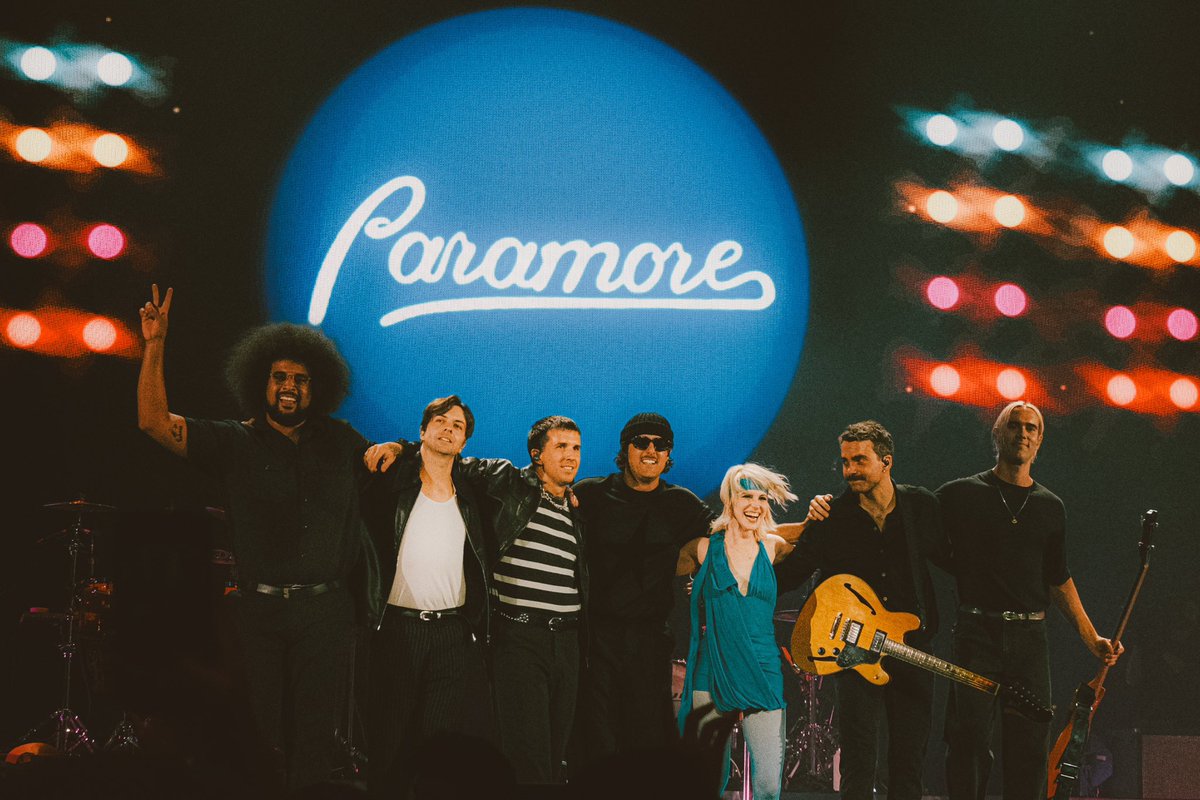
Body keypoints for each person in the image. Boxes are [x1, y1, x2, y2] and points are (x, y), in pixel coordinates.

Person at [136, 285, 374, 790]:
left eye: (301, 380)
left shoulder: (341, 440)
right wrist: (155, 345)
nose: (290, 386)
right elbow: (153, 423)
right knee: (257, 734)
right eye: (279, 376)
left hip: (324, 611)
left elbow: (385, 465)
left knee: (315, 739)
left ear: (317, 388)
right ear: (260, 381)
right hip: (256, 610)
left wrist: (393, 449)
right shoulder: (232, 440)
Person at [367, 414, 587, 784]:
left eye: (576, 448)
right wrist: (401, 447)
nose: (571, 455)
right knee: (528, 756)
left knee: (554, 753)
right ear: (536, 454)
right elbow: (444, 454)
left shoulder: (576, 511)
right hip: (520, 637)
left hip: (566, 642)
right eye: (561, 446)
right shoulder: (505, 480)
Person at [938, 401, 1122, 800]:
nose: (1022, 433)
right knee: (968, 742)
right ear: (997, 434)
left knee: (1029, 750)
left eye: (1031, 428)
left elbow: (1059, 579)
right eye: (1015, 425)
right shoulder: (961, 493)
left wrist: (1092, 638)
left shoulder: (1050, 506)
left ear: (1039, 441)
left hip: (1028, 641)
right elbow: (913, 525)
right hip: (976, 635)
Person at [782, 420, 950, 800]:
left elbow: (953, 559)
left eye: (860, 460)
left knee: (908, 762)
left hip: (912, 648)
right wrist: (739, 561)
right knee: (858, 762)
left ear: (886, 462)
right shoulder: (832, 516)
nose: (850, 470)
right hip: (854, 652)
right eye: (845, 462)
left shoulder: (920, 506)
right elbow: (791, 573)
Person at [361, 395, 490, 797]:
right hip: (399, 627)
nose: (449, 428)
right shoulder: (392, 481)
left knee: (438, 744)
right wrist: (398, 447)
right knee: (389, 737)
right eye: (441, 420)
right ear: (423, 430)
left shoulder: (472, 491)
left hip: (452, 631)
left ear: (464, 442)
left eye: (458, 425)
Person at [571, 413, 715, 764]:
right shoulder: (590, 494)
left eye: (660, 444)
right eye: (641, 442)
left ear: (668, 454)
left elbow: (734, 536)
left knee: (645, 745)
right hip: (595, 641)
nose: (651, 450)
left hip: (650, 642)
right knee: (597, 744)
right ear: (625, 450)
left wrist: (804, 527)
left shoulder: (682, 503)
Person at [676, 462, 799, 800]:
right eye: (747, 496)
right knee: (704, 782)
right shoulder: (703, 549)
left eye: (762, 498)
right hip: (712, 667)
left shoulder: (773, 547)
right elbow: (662, 569)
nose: (755, 505)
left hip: (762, 667)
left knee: (767, 786)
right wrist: (696, 585)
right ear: (730, 499)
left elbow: (806, 538)